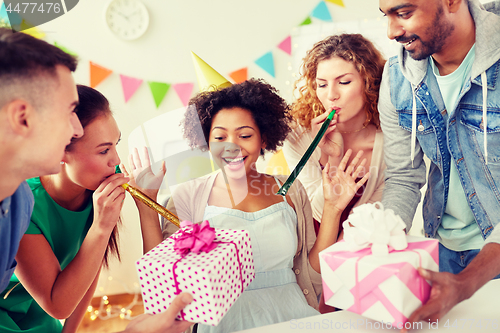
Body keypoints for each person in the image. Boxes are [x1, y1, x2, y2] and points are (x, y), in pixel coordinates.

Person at [130, 78, 366, 333]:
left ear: (264, 139)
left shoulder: (290, 190)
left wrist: (332, 209)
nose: (232, 146)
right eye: (220, 136)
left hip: (293, 317)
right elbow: (164, 280)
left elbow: (311, 269)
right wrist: (147, 205)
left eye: (244, 135)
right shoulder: (188, 196)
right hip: (223, 324)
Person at [378, 0, 500, 326]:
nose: (391, 32)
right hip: (440, 255)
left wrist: (467, 283)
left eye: (403, 13)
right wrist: (373, 258)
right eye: (386, 16)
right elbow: (404, 176)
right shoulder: (397, 79)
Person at [283, 33, 386, 234]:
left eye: (344, 82)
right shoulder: (297, 137)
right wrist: (333, 158)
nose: (331, 95)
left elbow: (377, 218)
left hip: (363, 247)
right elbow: (318, 213)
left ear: (369, 82)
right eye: (322, 85)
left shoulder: (390, 139)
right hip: (310, 251)